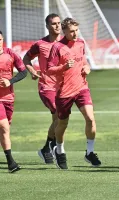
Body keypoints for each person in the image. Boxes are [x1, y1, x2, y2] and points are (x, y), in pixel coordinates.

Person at [47, 17, 101, 169]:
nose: (75, 34)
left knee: (90, 119)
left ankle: (89, 152)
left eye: (77, 30)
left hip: (82, 88)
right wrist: (63, 67)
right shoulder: (57, 47)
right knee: (62, 123)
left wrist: (87, 67)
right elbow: (49, 69)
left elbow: (83, 60)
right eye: (72, 31)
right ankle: (59, 150)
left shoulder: (81, 43)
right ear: (64, 32)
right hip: (64, 92)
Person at [23, 13, 62, 164]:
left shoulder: (66, 44)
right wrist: (32, 71)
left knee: (58, 119)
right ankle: (53, 148)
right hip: (46, 86)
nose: (57, 26)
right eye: (54, 23)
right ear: (47, 26)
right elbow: (26, 58)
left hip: (63, 87)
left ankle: (46, 148)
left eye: (59, 23)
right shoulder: (40, 44)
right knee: (59, 114)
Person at [0, 31, 27, 172]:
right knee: (3, 126)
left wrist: (9, 81)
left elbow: (23, 72)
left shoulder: (10, 54)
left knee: (5, 129)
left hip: (8, 98)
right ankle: (11, 163)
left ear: (2, 39)